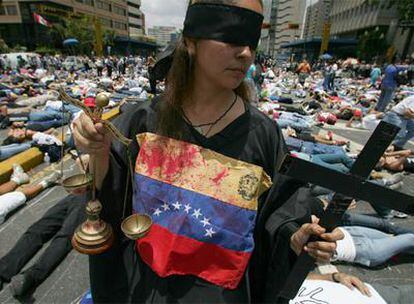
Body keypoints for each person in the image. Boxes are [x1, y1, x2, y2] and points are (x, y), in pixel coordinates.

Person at [72, 1, 341, 303]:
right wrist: (98, 150)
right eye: (231, 38)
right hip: (147, 287)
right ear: (190, 42)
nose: (246, 54)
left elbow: (280, 211)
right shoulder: (144, 119)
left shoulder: (263, 134)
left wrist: (296, 237)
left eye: (251, 43)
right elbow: (110, 195)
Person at [0, 194, 85, 297]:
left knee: (65, 237)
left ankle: (31, 276)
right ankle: (3, 269)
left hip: (92, 195)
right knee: (38, 229)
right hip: (77, 192)